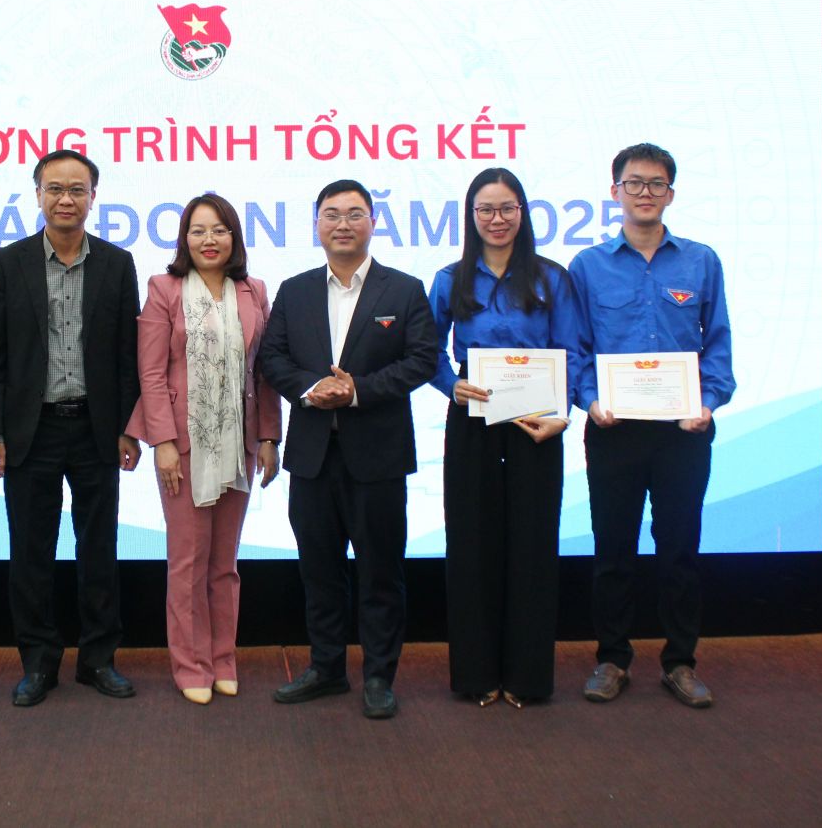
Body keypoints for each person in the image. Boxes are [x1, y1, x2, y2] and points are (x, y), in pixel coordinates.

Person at [257, 178, 438, 720]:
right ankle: (327, 667)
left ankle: (379, 676)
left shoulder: (403, 289)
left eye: (355, 214)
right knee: (319, 570)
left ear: (373, 223)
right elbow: (272, 358)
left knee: (381, 572)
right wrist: (314, 389)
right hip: (313, 456)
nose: (343, 224)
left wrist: (357, 390)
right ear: (316, 223)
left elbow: (422, 360)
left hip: (378, 455)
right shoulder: (295, 290)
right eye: (332, 214)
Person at [0, 149, 142, 707]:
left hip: (96, 428)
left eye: (77, 189)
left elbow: (127, 355)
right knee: (31, 553)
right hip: (31, 431)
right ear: (38, 194)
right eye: (55, 188)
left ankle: (98, 660)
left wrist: (128, 427)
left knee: (100, 550)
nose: (66, 199)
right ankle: (39, 663)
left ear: (93, 197)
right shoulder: (8, 263)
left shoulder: (117, 264)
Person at [570, 143, 734, 710]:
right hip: (613, 429)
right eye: (634, 183)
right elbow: (576, 348)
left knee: (679, 550)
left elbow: (717, 342)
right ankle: (612, 659)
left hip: (682, 431)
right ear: (614, 191)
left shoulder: (701, 261)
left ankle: (680, 662)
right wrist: (589, 400)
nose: (645, 192)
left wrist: (709, 402)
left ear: (671, 193)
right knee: (613, 550)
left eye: (656, 184)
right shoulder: (587, 266)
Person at [427, 168, 581, 708]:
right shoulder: (450, 279)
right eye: (486, 209)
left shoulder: (551, 277)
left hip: (538, 422)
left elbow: (572, 350)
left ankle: (527, 678)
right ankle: (477, 675)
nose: (497, 219)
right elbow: (426, 349)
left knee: (532, 545)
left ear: (522, 212)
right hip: (472, 418)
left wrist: (563, 413)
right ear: (471, 216)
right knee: (471, 545)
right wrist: (450, 385)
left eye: (507, 208)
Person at [125, 194, 282, 705]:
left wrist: (268, 437)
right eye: (198, 231)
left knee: (224, 564)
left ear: (233, 237)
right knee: (187, 563)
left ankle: (223, 660)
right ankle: (190, 664)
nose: (208, 240)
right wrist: (163, 443)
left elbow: (264, 372)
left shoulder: (254, 291)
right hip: (184, 445)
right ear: (184, 239)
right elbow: (151, 373)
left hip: (238, 444)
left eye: (219, 230)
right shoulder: (163, 289)